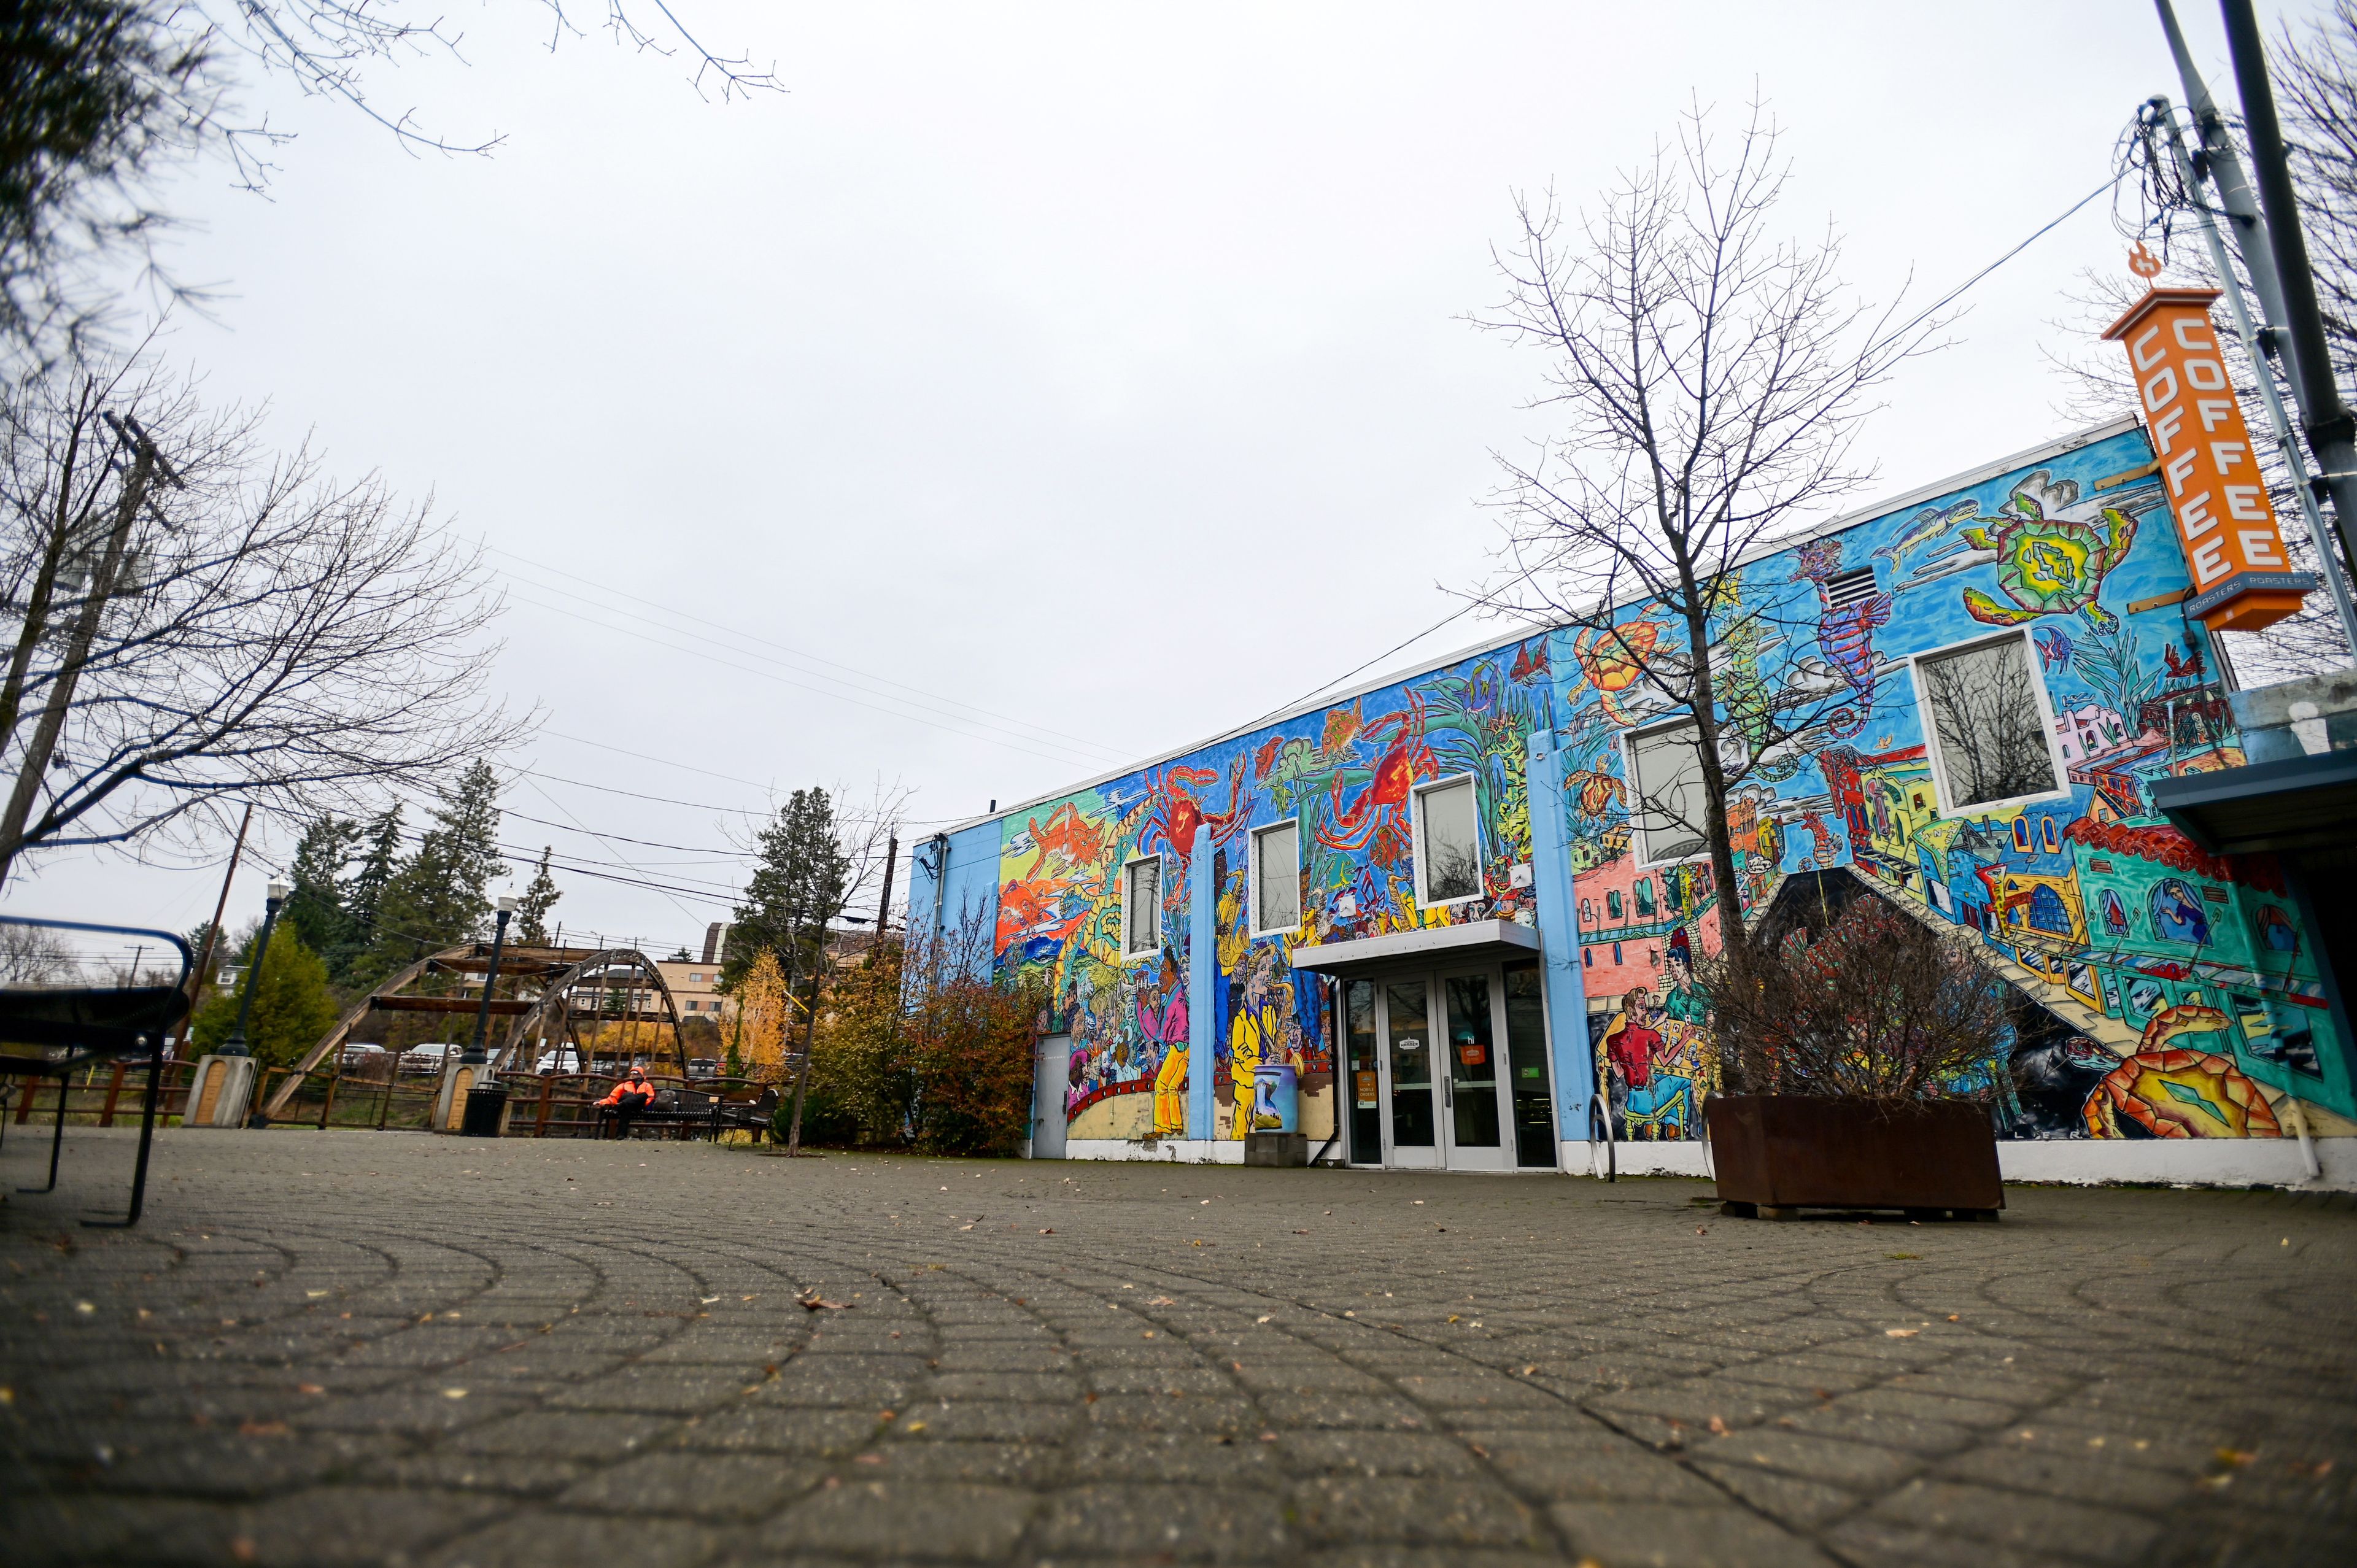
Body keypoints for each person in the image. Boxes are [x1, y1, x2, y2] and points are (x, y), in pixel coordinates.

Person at [599, 1065, 657, 1138]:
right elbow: (613, 1097)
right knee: (627, 1101)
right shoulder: (624, 1085)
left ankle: (620, 1105)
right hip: (627, 1107)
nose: (632, 1075)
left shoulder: (647, 1086)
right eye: (631, 1073)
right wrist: (601, 1102)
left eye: (635, 1073)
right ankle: (621, 1134)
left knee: (644, 1095)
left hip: (640, 1106)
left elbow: (650, 1098)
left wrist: (640, 1102)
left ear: (640, 1075)